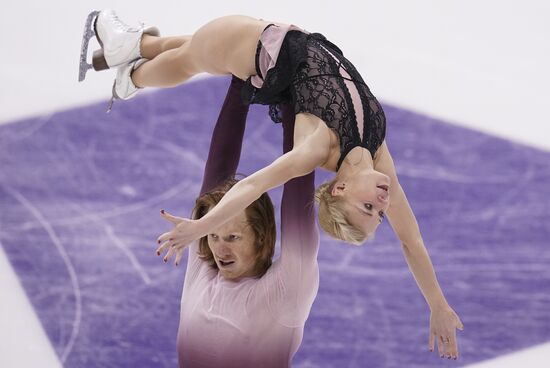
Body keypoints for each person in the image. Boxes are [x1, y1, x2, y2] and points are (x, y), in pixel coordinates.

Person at [80, 9, 464, 360]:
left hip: (264, 49)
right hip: (285, 47)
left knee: (190, 57)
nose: (384, 202)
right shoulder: (379, 157)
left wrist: (201, 227)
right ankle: (134, 46)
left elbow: (250, 187)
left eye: (370, 208)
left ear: (340, 190)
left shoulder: (313, 150)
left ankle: (129, 76)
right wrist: (437, 304)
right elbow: (410, 241)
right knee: (189, 48)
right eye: (378, 213)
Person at [159, 76, 320, 367]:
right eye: (214, 236)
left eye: (233, 238)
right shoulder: (204, 267)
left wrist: (290, 105)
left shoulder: (284, 291)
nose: (220, 250)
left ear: (262, 237)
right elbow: (216, 175)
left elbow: (298, 200)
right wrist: (239, 80)